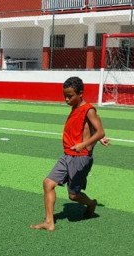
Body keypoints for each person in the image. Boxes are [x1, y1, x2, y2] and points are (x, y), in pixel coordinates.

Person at [31, 76, 105, 231]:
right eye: (65, 95)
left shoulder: (88, 109)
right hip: (67, 155)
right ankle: (49, 222)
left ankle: (91, 203)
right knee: (48, 183)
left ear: (80, 93)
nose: (66, 99)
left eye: (70, 96)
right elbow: (87, 129)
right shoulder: (75, 108)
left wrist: (85, 144)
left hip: (81, 157)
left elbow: (100, 131)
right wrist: (94, 138)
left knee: (73, 196)